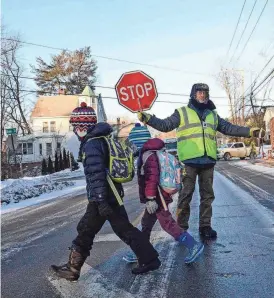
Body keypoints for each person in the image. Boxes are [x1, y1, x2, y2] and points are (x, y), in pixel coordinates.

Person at [137, 83, 264, 240]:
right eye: (199, 92)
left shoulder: (212, 114)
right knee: (186, 195)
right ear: (193, 94)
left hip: (208, 162)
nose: (202, 95)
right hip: (189, 162)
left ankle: (205, 226)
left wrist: (249, 131)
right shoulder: (182, 112)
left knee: (207, 196)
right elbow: (165, 125)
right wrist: (149, 118)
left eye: (205, 92)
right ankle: (181, 227)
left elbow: (229, 128)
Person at [51, 103, 161, 281]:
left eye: (75, 126)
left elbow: (97, 174)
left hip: (103, 197)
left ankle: (73, 268)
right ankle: (150, 259)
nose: (74, 130)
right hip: (111, 194)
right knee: (119, 229)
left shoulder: (91, 144)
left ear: (82, 126)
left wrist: (100, 201)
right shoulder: (102, 139)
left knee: (88, 229)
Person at [123, 138, 204, 264]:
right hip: (157, 195)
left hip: (157, 197)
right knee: (146, 224)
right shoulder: (153, 154)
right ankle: (141, 251)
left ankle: (192, 245)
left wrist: (150, 198)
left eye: (131, 147)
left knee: (167, 223)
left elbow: (152, 178)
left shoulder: (148, 156)